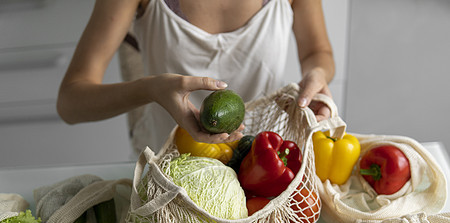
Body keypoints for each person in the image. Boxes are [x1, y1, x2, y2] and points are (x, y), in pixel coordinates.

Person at [57, 0, 335, 155]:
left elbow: (317, 51)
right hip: (169, 178)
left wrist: (317, 74)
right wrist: (150, 89)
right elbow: (70, 102)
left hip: (264, 171)